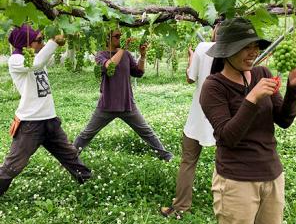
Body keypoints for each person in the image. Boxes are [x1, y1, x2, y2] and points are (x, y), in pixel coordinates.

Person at [199, 17, 296, 224]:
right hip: (236, 182)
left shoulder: (262, 73)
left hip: (272, 177)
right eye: (245, 47)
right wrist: (252, 98)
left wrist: (293, 89)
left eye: (255, 46)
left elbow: (284, 120)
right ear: (227, 51)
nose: (253, 52)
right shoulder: (213, 87)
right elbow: (228, 136)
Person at [0, 25, 91, 196]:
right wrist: (53, 41)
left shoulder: (35, 56)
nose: (42, 44)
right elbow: (37, 63)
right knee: (13, 165)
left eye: (43, 40)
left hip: (50, 120)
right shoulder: (17, 60)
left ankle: (88, 182)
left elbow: (43, 59)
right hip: (30, 124)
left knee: (70, 155)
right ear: (25, 44)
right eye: (39, 40)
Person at [73, 29, 172, 161]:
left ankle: (166, 157)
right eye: (117, 36)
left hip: (127, 104)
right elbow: (110, 66)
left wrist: (142, 56)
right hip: (107, 105)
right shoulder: (101, 55)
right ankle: (69, 158)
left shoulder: (126, 54)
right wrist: (123, 48)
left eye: (121, 36)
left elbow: (139, 72)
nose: (120, 38)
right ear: (108, 38)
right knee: (87, 134)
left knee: (147, 132)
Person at [160, 36, 217, 218]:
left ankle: (182, 206)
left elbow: (190, 78)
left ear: (216, 31)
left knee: (188, 161)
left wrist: (192, 58)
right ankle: (227, 206)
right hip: (227, 116)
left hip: (199, 116)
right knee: (227, 161)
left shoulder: (203, 47)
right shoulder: (237, 49)